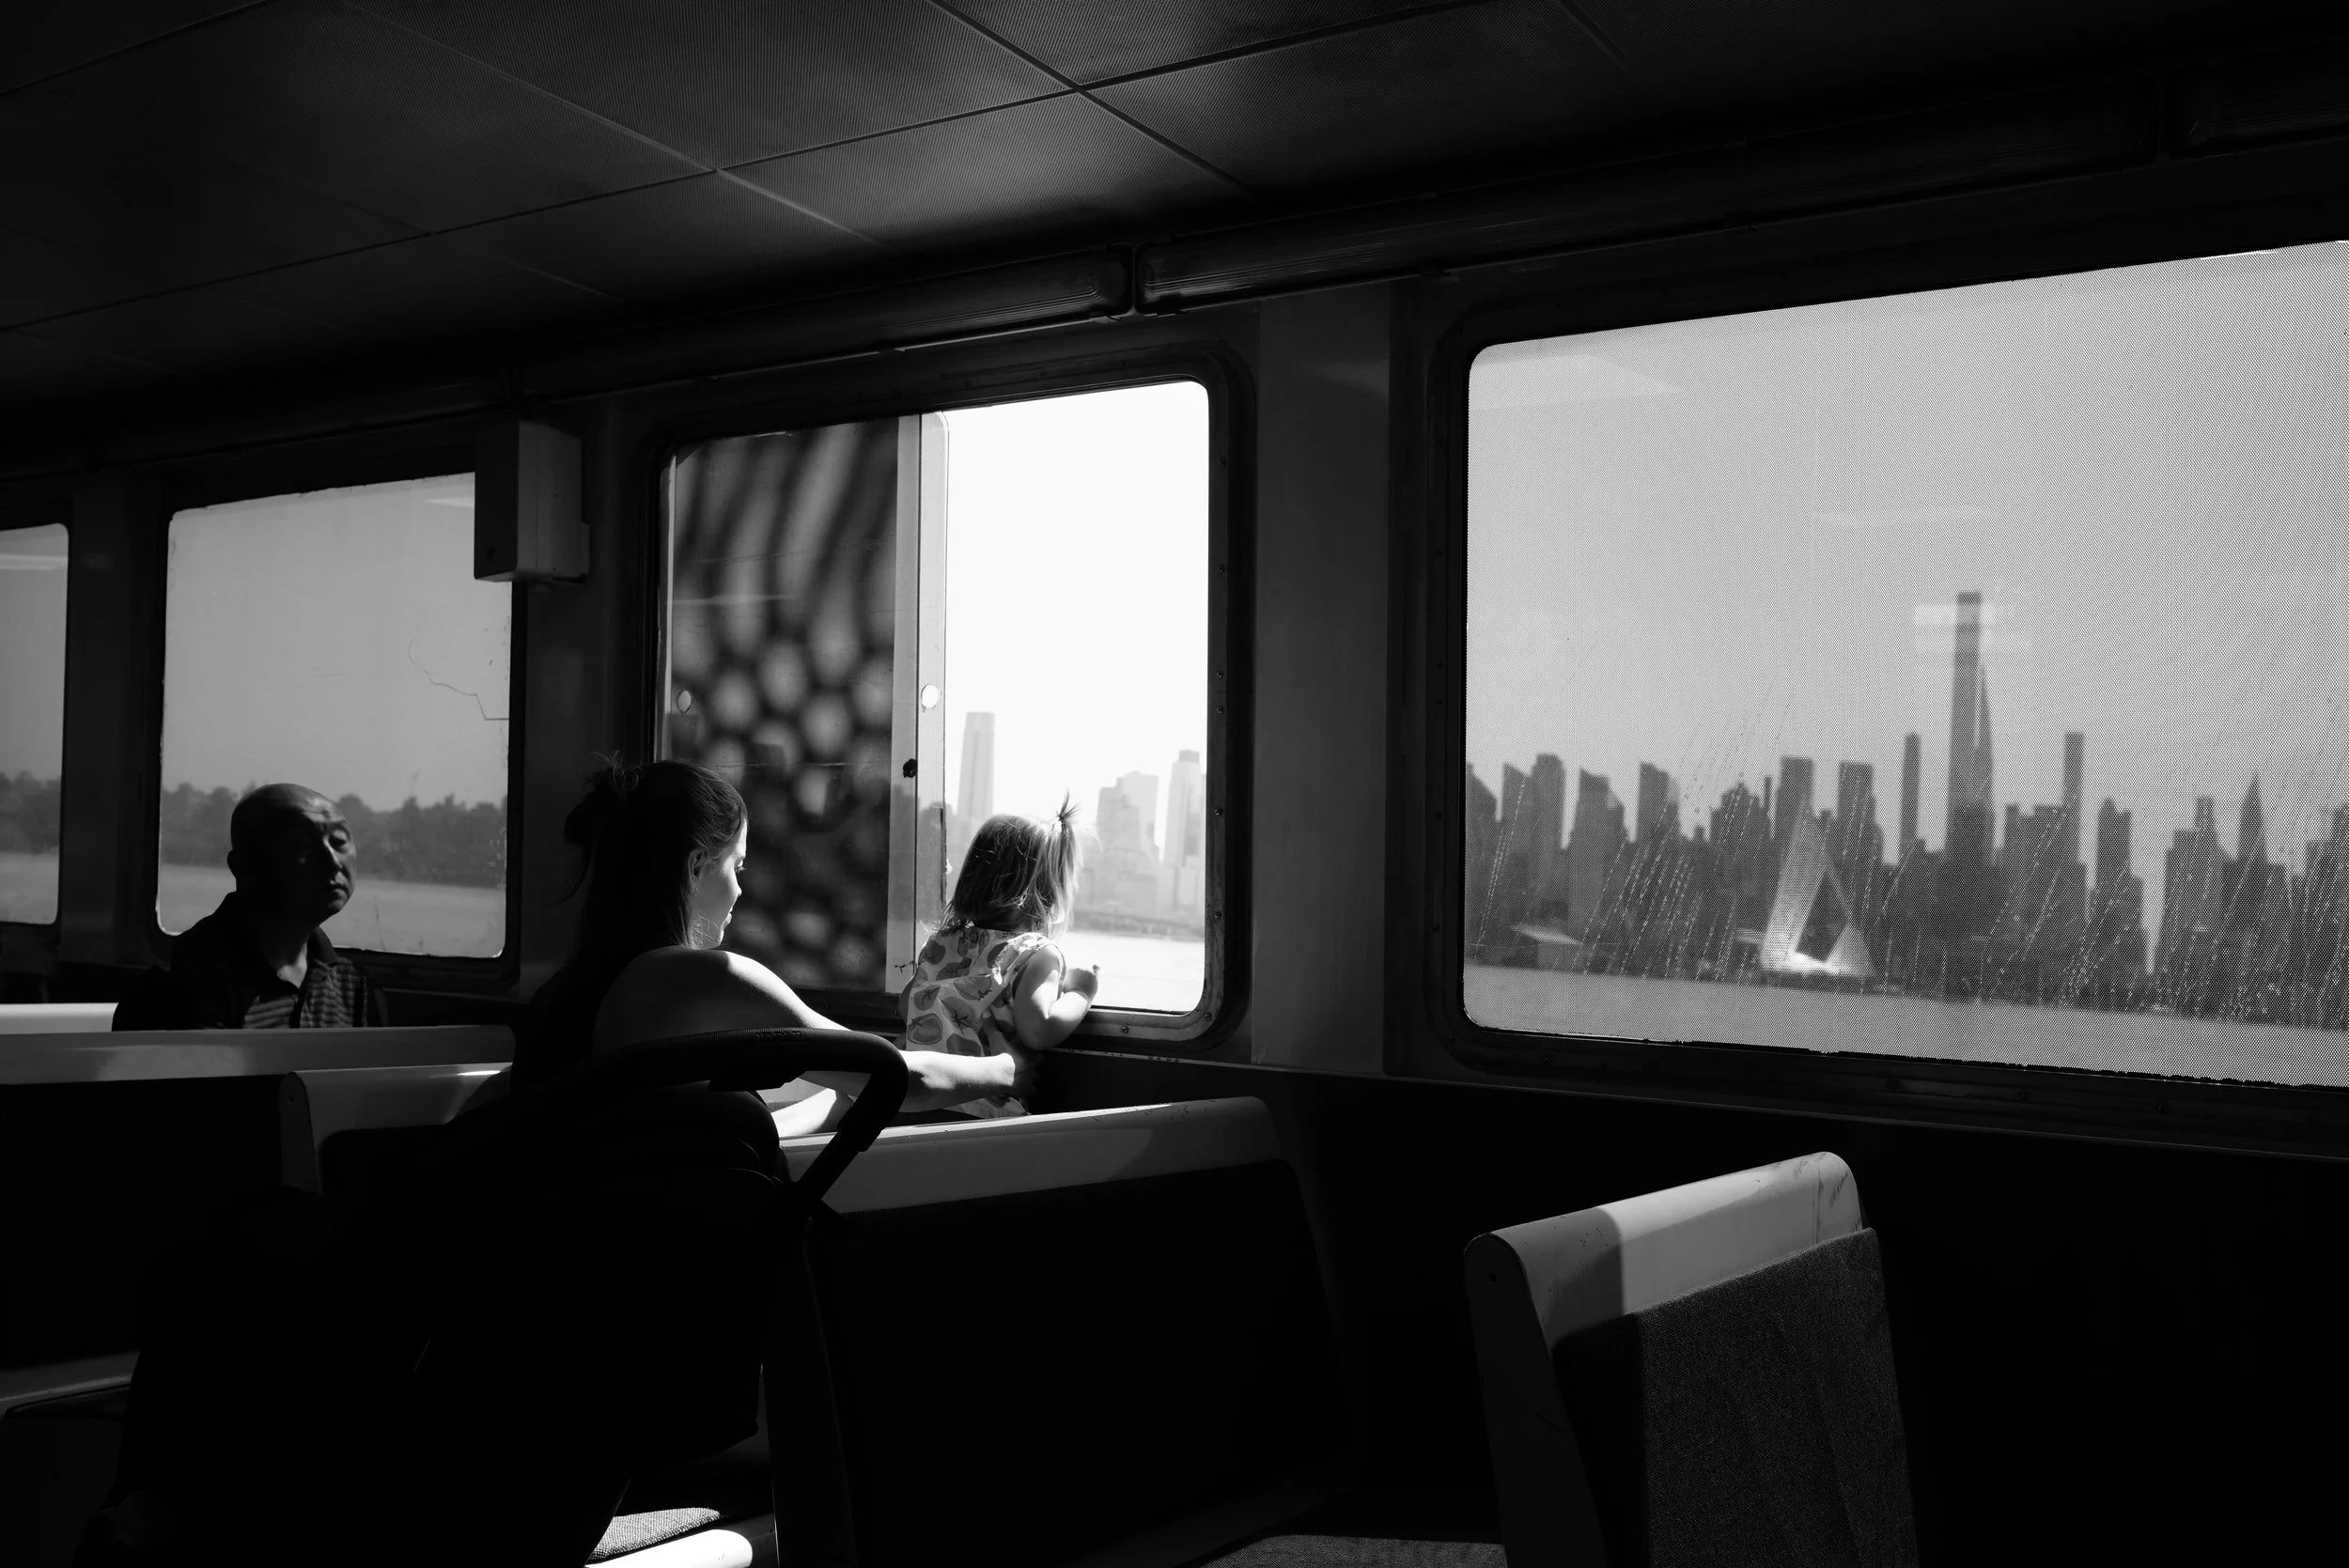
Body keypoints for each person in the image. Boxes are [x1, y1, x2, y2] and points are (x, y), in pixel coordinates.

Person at [506, 760, 1027, 1129]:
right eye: (736, 865)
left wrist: (834, 1101)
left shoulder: (569, 990)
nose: (739, 888)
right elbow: (896, 1077)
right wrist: (1004, 1068)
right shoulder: (704, 979)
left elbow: (661, 1138)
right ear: (694, 867)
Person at [113, 784, 387, 1031]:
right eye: (299, 845)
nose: (332, 861)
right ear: (244, 866)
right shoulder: (180, 986)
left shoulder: (352, 987)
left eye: (339, 842)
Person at [900, 801, 1098, 1118]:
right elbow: (1039, 1029)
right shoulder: (1034, 954)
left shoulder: (940, 943)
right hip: (980, 1107)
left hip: (914, 1098)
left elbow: (906, 1004)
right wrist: (1081, 993)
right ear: (1051, 892)